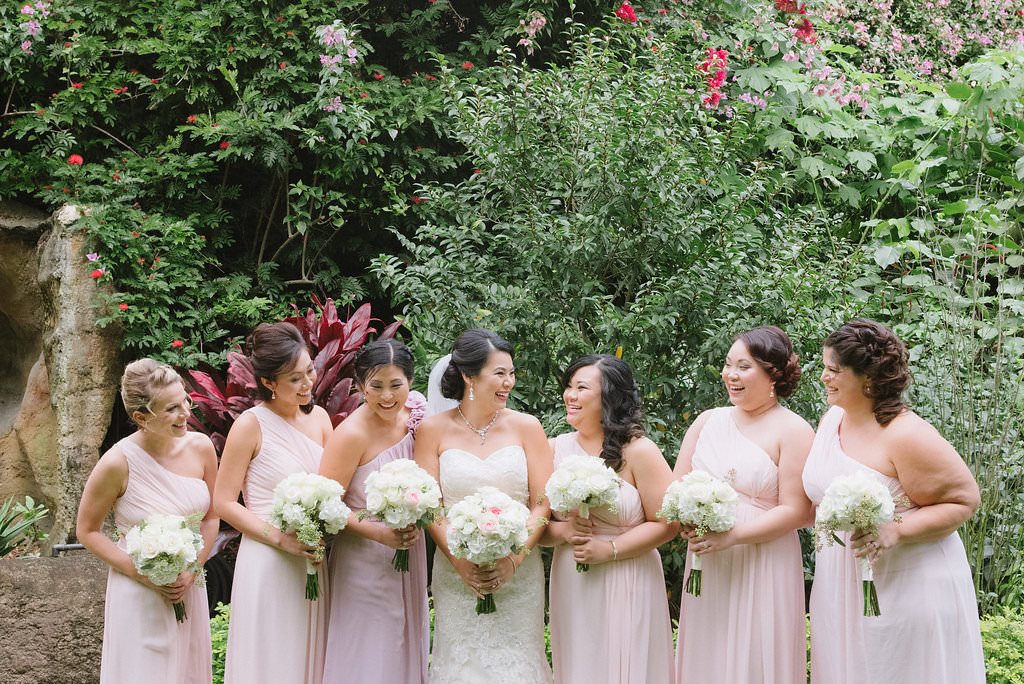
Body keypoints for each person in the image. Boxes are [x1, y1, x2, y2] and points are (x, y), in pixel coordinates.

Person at [803, 318, 985, 683]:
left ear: (867, 378)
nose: (824, 376)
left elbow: (964, 501)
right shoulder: (831, 419)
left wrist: (895, 529)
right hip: (840, 583)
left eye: (833, 370)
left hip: (906, 584)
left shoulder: (906, 434)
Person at [674, 326, 813, 683]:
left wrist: (733, 536)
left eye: (743, 367)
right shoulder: (708, 421)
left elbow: (798, 511)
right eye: (727, 365)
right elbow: (675, 488)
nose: (730, 375)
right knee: (709, 652)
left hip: (764, 559)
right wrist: (686, 517)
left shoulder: (793, 430)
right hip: (708, 557)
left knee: (756, 654)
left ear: (773, 375)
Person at [414, 329, 553, 683]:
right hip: (455, 571)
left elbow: (542, 503)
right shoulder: (432, 430)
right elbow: (431, 507)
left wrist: (514, 559)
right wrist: (460, 563)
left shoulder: (527, 427)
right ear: (468, 375)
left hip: (519, 574)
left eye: (511, 373)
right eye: (499, 373)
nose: (509, 382)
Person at [77, 359, 218, 684]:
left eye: (185, 399)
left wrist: (192, 569)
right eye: (171, 409)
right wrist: (141, 574)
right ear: (141, 417)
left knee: (187, 671)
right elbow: (87, 531)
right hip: (139, 591)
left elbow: (212, 518)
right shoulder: (116, 463)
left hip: (188, 586)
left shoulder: (201, 448)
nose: (185, 412)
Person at [543, 354, 676, 684]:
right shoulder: (552, 449)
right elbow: (538, 525)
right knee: (580, 663)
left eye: (581, 388)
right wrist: (564, 531)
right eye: (569, 387)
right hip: (573, 576)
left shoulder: (638, 450)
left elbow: (667, 524)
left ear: (610, 396)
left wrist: (611, 548)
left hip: (629, 573)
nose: (570, 396)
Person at [212, 322, 334, 684]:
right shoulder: (250, 425)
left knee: (309, 655)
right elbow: (223, 502)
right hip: (268, 559)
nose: (307, 383)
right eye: (294, 379)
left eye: (309, 371)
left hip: (312, 556)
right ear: (269, 382)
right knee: (271, 659)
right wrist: (281, 539)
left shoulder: (322, 419)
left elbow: (335, 488)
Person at [319, 339, 429, 683]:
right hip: (364, 555)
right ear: (359, 385)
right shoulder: (351, 434)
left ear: (410, 382)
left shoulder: (416, 415)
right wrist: (380, 533)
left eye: (396, 385)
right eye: (376, 386)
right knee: (370, 644)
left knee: (403, 636)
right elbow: (326, 502)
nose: (387, 397)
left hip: (410, 550)